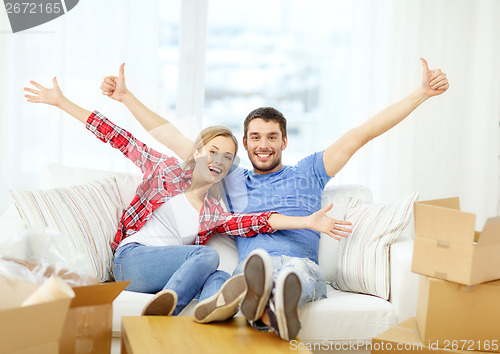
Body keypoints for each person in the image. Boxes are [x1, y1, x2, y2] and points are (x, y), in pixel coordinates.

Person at [99, 58, 449, 339]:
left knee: (292, 273)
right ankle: (238, 320)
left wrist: (421, 94)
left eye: (271, 137)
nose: (262, 145)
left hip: (297, 266)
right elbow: (173, 137)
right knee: (220, 280)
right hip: (246, 272)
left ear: (284, 141)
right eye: (254, 137)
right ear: (246, 143)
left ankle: (274, 305)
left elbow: (361, 135)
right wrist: (126, 98)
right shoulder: (231, 179)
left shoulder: (310, 171)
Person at [23, 78, 350, 320]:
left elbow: (258, 221)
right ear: (196, 152)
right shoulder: (162, 169)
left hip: (170, 270)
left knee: (223, 277)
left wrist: (308, 221)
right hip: (133, 260)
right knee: (207, 258)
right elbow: (116, 135)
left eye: (227, 157)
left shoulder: (216, 210)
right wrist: (62, 101)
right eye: (212, 152)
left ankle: (212, 313)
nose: (218, 161)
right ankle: (168, 308)